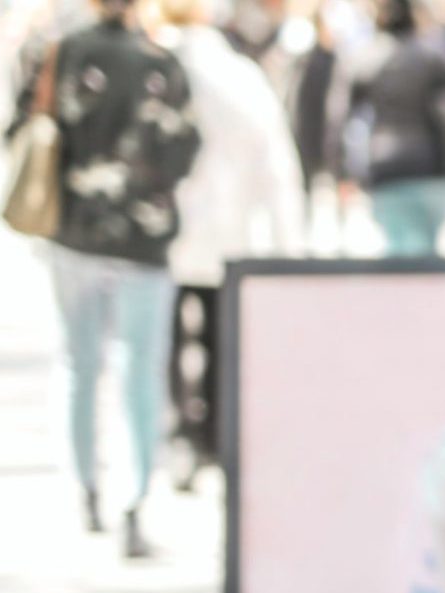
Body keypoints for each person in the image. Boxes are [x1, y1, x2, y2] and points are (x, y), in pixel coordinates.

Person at [11, 0, 202, 558]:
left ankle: (86, 488)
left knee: (79, 362)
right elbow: (185, 151)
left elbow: (26, 126)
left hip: (75, 232)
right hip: (143, 241)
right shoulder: (162, 66)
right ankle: (134, 499)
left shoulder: (63, 54)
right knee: (139, 371)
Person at [162, 0, 306, 489]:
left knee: (169, 337)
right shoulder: (239, 75)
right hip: (229, 233)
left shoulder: (160, 66)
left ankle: (181, 431)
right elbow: (277, 165)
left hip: (167, 232)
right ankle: (215, 436)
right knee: (222, 337)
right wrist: (289, 244)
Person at [344, 0, 445, 257]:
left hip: (387, 167)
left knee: (399, 254)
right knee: (425, 255)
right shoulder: (430, 57)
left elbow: (342, 116)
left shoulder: (367, 59)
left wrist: (342, 169)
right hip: (429, 165)